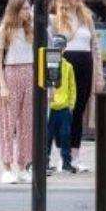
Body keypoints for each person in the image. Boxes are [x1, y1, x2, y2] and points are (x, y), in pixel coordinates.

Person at [53, 0, 104, 165]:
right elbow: (52, 45)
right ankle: (62, 155)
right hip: (66, 63)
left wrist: (99, 74)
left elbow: (95, 46)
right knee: (64, 109)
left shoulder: (87, 17)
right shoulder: (57, 18)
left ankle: (74, 155)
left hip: (85, 62)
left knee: (79, 109)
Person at [0, 0, 36, 183]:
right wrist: (2, 86)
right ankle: (6, 166)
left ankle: (23, 165)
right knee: (7, 123)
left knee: (27, 124)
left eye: (29, 8)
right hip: (11, 72)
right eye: (25, 8)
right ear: (16, 9)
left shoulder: (32, 29)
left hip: (30, 71)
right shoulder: (4, 30)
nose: (28, 12)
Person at [46, 40, 80, 174]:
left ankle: (66, 162)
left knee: (66, 136)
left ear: (64, 49)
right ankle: (45, 162)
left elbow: (72, 87)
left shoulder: (68, 66)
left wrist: (71, 104)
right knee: (47, 137)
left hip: (64, 108)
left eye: (60, 48)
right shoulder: (47, 64)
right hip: (51, 107)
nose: (58, 50)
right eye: (56, 47)